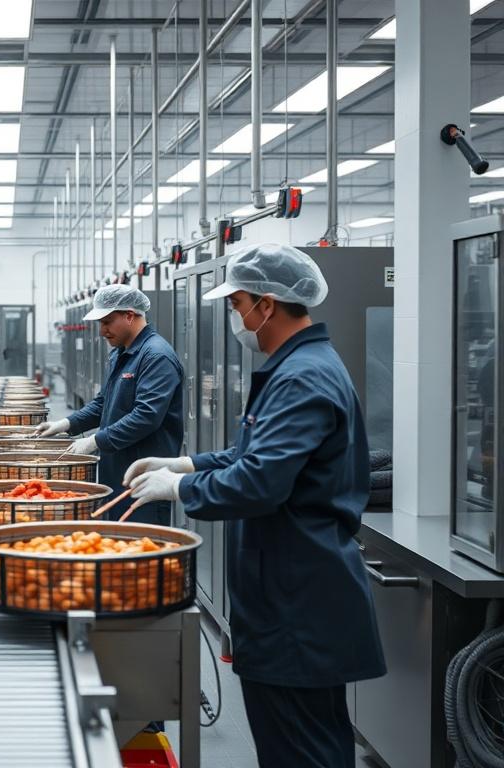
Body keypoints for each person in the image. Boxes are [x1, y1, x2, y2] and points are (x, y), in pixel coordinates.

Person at [123, 243, 385, 768]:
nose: (234, 317)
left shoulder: (302, 376)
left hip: (297, 599)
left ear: (267, 305)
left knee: (299, 747)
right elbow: (254, 452)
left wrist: (178, 491)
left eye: (237, 303)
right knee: (305, 739)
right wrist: (186, 464)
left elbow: (260, 482)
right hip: (289, 591)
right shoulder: (298, 366)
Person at [34, 284, 184, 524]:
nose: (102, 331)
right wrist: (66, 423)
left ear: (129, 316)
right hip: (115, 468)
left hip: (143, 474)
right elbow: (104, 402)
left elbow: (146, 416)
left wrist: (95, 441)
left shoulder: (156, 356)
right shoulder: (121, 353)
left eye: (107, 322)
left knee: (139, 543)